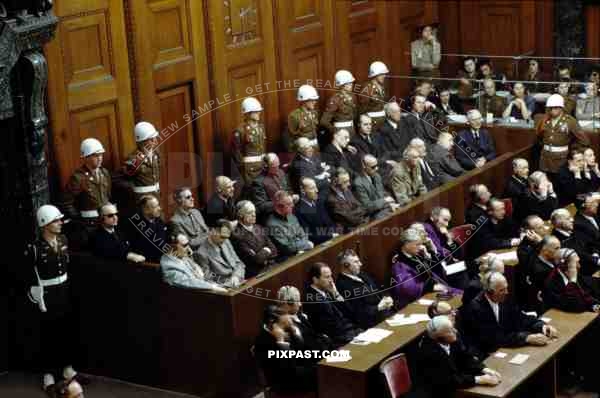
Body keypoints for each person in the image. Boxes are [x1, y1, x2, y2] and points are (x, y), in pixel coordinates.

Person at [24, 205, 83, 396]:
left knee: (66, 330)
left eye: (59, 220)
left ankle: (67, 369)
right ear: (44, 224)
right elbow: (29, 276)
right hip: (47, 294)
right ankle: (48, 375)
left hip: (64, 290)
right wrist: (36, 298)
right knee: (49, 334)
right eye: (55, 221)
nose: (60, 223)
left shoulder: (63, 240)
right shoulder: (34, 248)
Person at [459, 272, 557, 355]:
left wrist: (541, 326)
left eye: (506, 288)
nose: (507, 292)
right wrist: (526, 338)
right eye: (502, 290)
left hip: (506, 346)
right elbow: (493, 338)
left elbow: (520, 317)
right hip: (486, 352)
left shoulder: (504, 298)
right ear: (489, 292)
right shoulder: (476, 308)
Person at [415, 315, 500, 398]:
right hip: (440, 391)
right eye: (450, 331)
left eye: (453, 328)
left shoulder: (452, 338)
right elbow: (449, 380)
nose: (455, 331)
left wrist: (484, 369)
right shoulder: (430, 352)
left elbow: (465, 357)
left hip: (459, 378)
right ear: (439, 337)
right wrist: (480, 379)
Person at [253, 305, 318, 394]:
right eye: (284, 323)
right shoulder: (263, 342)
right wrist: (281, 342)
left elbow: (303, 351)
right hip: (286, 382)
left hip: (302, 370)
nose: (289, 323)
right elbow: (289, 371)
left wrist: (295, 333)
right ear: (272, 323)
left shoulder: (287, 328)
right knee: (327, 373)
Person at [390, 228, 460, 309]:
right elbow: (407, 287)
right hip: (417, 299)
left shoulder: (416, 255)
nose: (420, 247)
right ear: (406, 244)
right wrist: (430, 287)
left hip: (438, 285)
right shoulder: (400, 264)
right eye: (417, 244)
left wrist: (429, 254)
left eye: (420, 244)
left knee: (463, 294)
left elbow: (436, 270)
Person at [61, 138, 111, 249]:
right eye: (95, 156)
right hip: (89, 225)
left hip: (106, 221)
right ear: (86, 158)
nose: (100, 159)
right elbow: (66, 203)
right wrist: (80, 219)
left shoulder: (104, 173)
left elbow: (107, 195)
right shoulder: (78, 178)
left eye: (101, 155)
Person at [303, 263, 362, 346]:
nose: (331, 280)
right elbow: (331, 329)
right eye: (327, 277)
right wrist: (354, 334)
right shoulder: (313, 299)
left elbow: (350, 312)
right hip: (338, 340)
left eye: (331, 276)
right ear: (315, 279)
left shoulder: (327, 290)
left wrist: (336, 293)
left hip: (347, 331)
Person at [335, 249, 395, 329]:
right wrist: (378, 307)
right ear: (346, 265)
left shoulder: (362, 274)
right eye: (356, 262)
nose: (360, 264)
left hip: (385, 315)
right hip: (372, 324)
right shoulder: (342, 285)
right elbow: (357, 312)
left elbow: (378, 289)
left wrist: (387, 297)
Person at [536, 94, 586, 176]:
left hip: (560, 160)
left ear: (561, 107)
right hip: (545, 159)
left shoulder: (570, 121)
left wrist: (573, 151)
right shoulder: (545, 120)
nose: (552, 110)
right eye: (550, 108)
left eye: (555, 107)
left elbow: (584, 140)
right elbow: (539, 137)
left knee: (559, 184)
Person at [160, 233, 227, 292]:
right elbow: (188, 282)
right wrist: (212, 287)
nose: (188, 248)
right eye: (184, 245)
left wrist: (216, 284)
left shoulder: (183, 258)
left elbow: (201, 274)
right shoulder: (168, 265)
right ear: (172, 247)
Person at [276, 286, 334, 352]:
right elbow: (305, 346)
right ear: (288, 304)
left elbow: (313, 334)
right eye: (298, 301)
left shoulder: (299, 315)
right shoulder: (285, 324)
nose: (300, 304)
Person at [543, 248, 600, 313]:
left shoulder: (572, 273)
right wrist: (572, 280)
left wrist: (594, 305)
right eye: (576, 263)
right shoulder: (552, 283)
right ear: (564, 265)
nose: (579, 266)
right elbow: (575, 306)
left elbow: (584, 294)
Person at [230, 201, 277, 277]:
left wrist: (263, 252)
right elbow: (255, 260)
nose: (254, 215)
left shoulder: (259, 227)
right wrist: (267, 250)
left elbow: (274, 250)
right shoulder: (237, 236)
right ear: (241, 215)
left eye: (254, 212)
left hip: (272, 266)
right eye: (249, 212)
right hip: (256, 274)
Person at [195, 220, 245, 288]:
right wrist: (229, 284)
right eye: (222, 237)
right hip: (225, 289)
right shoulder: (201, 253)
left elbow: (239, 263)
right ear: (213, 231)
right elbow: (208, 279)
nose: (224, 240)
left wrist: (236, 276)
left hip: (239, 280)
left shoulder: (226, 242)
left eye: (226, 237)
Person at [551, 208, 600, 276]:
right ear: (558, 223)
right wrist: (595, 259)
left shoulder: (577, 227)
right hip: (588, 272)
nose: (572, 220)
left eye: (570, 217)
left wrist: (595, 253)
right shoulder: (556, 241)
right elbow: (578, 255)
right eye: (568, 218)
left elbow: (592, 241)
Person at [266, 190, 314, 258]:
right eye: (289, 204)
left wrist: (302, 244)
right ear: (279, 207)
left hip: (305, 251)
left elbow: (303, 235)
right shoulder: (272, 224)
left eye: (292, 203)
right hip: (290, 258)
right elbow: (287, 247)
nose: (293, 205)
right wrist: (305, 245)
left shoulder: (291, 216)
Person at [248, 153, 295, 219]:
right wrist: (280, 203)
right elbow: (260, 206)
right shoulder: (258, 182)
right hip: (272, 216)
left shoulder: (281, 172)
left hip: (287, 212)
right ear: (266, 167)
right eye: (274, 167)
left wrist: (291, 196)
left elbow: (288, 188)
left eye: (278, 165)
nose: (277, 168)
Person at [122, 122, 161, 201]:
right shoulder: (133, 159)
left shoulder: (156, 153)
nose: (155, 141)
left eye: (155, 138)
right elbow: (128, 175)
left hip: (156, 196)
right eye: (151, 139)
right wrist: (140, 160)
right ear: (142, 142)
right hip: (142, 199)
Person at [232, 97, 267, 183]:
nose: (259, 113)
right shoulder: (240, 131)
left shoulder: (261, 127)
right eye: (255, 111)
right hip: (250, 169)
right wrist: (243, 169)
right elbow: (236, 153)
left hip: (262, 166)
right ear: (247, 113)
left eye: (259, 111)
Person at [353, 154, 398, 219]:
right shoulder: (358, 183)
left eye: (377, 165)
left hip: (385, 209)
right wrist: (385, 201)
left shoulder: (377, 176)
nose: (376, 168)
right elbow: (367, 206)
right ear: (364, 166)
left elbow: (382, 193)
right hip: (374, 214)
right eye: (373, 167)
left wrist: (390, 204)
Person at [295, 177, 338, 245]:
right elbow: (310, 235)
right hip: (318, 245)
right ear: (303, 191)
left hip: (331, 239)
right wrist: (330, 236)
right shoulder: (299, 210)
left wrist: (334, 232)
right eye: (312, 188)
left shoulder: (319, 203)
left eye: (316, 187)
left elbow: (329, 222)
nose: (317, 190)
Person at [320, 69, 357, 146]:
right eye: (349, 83)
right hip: (341, 132)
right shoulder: (335, 99)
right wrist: (336, 131)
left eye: (351, 83)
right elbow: (324, 121)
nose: (351, 84)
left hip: (352, 130)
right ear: (343, 85)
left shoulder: (352, 96)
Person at [126, 195, 168, 263]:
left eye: (158, 205)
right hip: (150, 264)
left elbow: (165, 238)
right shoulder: (137, 227)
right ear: (145, 210)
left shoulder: (158, 220)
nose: (159, 208)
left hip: (164, 258)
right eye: (155, 207)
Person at [169, 187, 209, 252]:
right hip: (197, 251)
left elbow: (206, 230)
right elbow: (189, 243)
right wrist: (209, 237)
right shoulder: (175, 221)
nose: (192, 199)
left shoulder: (196, 212)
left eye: (192, 196)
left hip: (209, 245)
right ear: (179, 200)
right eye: (188, 197)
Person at [287, 85, 320, 152]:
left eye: (315, 100)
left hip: (316, 146)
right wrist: (300, 128)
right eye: (311, 100)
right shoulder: (294, 115)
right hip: (303, 148)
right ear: (304, 101)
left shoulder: (314, 113)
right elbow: (291, 135)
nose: (314, 102)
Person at [358, 61, 389, 130]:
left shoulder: (382, 87)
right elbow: (362, 109)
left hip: (383, 121)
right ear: (375, 75)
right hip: (372, 123)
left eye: (384, 74)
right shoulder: (367, 88)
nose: (384, 76)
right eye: (381, 74)